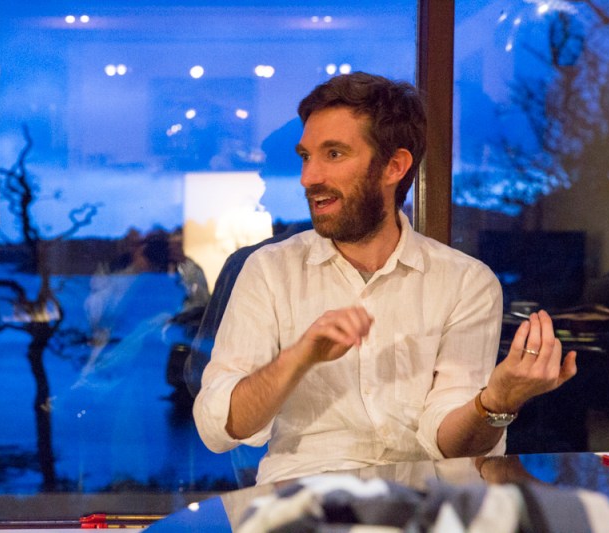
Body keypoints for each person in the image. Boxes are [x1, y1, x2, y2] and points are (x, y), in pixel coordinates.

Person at [193, 73, 578, 485]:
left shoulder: (466, 282)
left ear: (394, 166)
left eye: (334, 154)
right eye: (306, 156)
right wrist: (298, 358)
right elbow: (218, 429)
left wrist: (497, 402)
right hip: (304, 500)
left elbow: (453, 444)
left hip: (424, 501)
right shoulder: (269, 270)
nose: (309, 177)